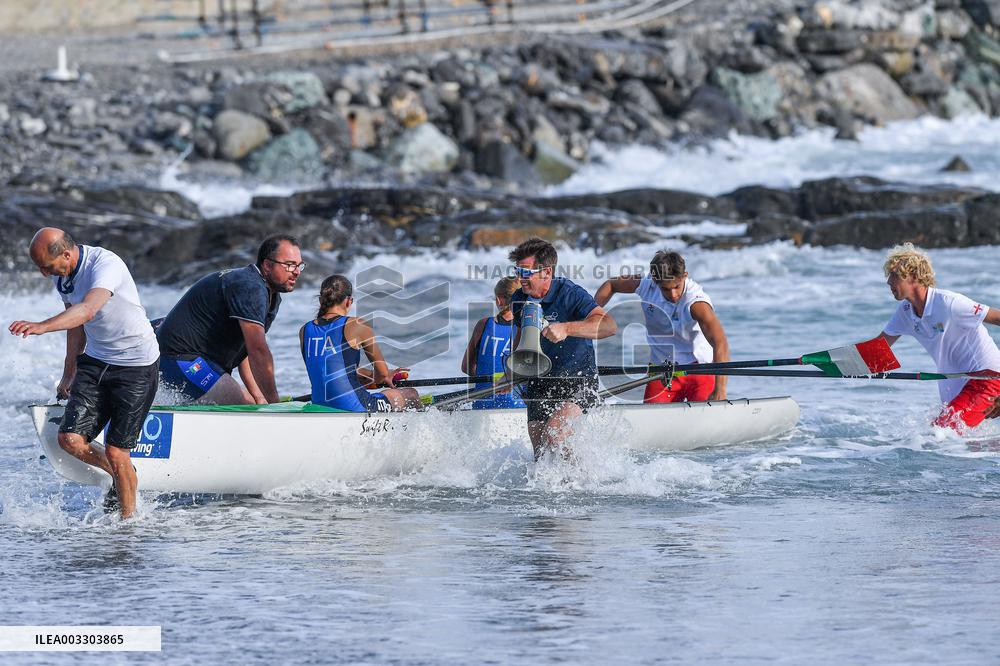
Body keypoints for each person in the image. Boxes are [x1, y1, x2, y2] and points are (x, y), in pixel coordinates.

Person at [8, 228, 160, 518]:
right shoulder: (61, 273)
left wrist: (41, 326)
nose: (45, 275)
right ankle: (123, 474)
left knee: (117, 452)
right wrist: (70, 372)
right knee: (70, 440)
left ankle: (127, 529)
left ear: (67, 253)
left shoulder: (106, 266)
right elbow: (75, 325)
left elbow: (87, 310)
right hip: (97, 359)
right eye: (41, 268)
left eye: (48, 267)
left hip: (136, 364)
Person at [155, 235, 302, 405]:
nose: (297, 272)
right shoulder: (250, 288)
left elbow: (245, 350)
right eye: (290, 265)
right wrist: (275, 405)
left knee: (252, 403)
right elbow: (258, 350)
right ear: (268, 265)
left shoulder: (271, 296)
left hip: (198, 358)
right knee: (240, 403)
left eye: (299, 265)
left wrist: (261, 398)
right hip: (178, 358)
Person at [509, 238, 617, 459]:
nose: (520, 278)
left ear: (547, 272)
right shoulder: (518, 299)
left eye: (526, 272)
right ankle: (540, 492)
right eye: (517, 271)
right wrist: (511, 372)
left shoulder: (570, 293)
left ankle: (579, 484)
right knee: (539, 450)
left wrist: (566, 328)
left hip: (577, 378)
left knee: (555, 435)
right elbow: (521, 335)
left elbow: (609, 326)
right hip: (539, 379)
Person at [878, 243, 1000, 431]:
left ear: (913, 276)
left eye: (893, 275)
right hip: (957, 386)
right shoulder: (905, 312)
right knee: (962, 443)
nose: (888, 283)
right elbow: (877, 349)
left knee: (940, 436)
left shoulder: (950, 304)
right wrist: (825, 361)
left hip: (988, 379)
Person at [594, 250, 729, 403]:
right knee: (648, 424)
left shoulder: (696, 303)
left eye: (677, 286)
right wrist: (593, 313)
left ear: (684, 276)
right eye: (665, 288)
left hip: (698, 372)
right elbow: (611, 285)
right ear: (655, 280)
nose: (672, 294)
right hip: (661, 372)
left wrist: (720, 389)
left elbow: (720, 342)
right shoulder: (646, 285)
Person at [301, 274, 421, 412]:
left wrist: (369, 376)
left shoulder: (305, 330)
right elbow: (381, 374)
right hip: (354, 407)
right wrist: (383, 376)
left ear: (321, 300)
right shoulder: (357, 324)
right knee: (410, 394)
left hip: (319, 406)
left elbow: (326, 367)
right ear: (348, 301)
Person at [461, 277, 526, 409]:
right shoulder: (527, 328)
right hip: (518, 407)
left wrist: (486, 376)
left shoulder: (483, 325)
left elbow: (466, 367)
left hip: (483, 405)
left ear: (498, 300)